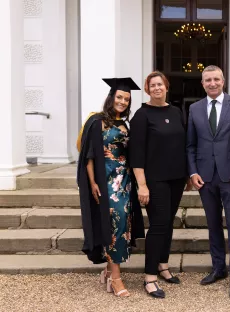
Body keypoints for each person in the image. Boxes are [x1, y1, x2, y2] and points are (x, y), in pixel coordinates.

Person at [186, 65, 230, 299]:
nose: (212, 83)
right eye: (207, 80)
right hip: (206, 178)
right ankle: (218, 269)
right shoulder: (194, 109)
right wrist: (193, 173)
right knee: (213, 226)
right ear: (202, 83)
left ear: (223, 81)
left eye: (216, 79)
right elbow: (190, 145)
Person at [77, 77, 145, 298]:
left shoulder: (125, 124)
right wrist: (93, 183)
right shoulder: (96, 121)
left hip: (124, 181)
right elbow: (88, 156)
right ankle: (116, 278)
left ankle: (108, 271)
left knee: (123, 224)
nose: (123, 102)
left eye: (126, 99)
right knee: (115, 225)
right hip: (106, 181)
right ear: (111, 98)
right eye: (119, 97)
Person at [130, 71, 191, 299]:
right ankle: (149, 277)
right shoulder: (142, 115)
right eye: (152, 85)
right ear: (148, 89)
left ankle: (162, 265)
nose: (157, 88)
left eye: (160, 84)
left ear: (166, 87)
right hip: (154, 180)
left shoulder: (176, 112)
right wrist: (142, 185)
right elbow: (136, 153)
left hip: (176, 178)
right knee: (157, 225)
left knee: (168, 224)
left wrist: (186, 175)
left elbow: (182, 144)